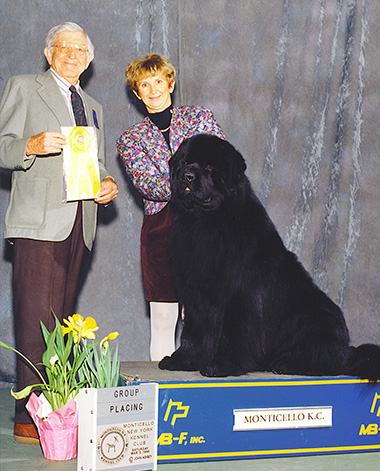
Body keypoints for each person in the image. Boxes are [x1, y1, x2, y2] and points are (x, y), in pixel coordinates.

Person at [0, 22, 118, 444]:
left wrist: (106, 185)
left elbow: (95, 164)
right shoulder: (24, 87)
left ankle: (57, 407)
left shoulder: (94, 106)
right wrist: (29, 145)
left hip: (80, 225)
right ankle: (28, 417)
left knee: (61, 323)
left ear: (88, 60)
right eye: (63, 47)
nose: (72, 54)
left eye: (80, 50)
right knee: (35, 320)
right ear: (49, 54)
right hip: (39, 221)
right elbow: (3, 144)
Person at [117, 54, 225, 362]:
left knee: (206, 315)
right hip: (160, 231)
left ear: (171, 83)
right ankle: (161, 396)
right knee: (163, 321)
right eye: (144, 85)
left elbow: (219, 163)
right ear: (137, 93)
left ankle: (208, 389)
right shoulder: (130, 139)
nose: (153, 91)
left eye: (159, 82)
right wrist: (194, 179)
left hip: (207, 226)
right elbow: (146, 184)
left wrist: (188, 179)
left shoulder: (199, 117)